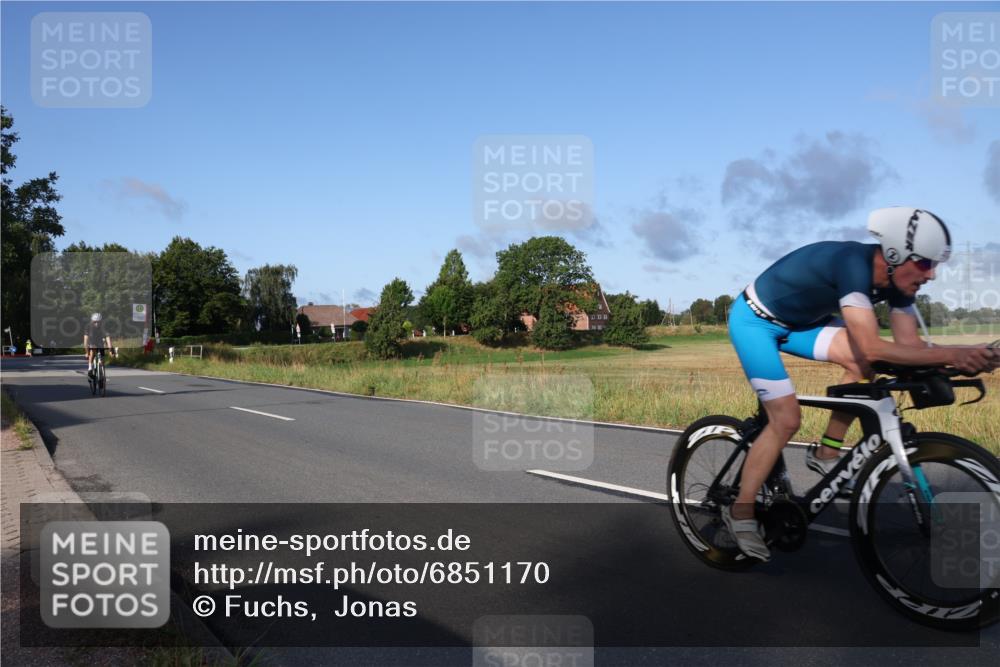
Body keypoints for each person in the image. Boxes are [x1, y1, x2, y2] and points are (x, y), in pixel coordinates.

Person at [724, 207, 999, 561]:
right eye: (927, 264)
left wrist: (971, 354)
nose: (931, 275)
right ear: (897, 254)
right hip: (755, 322)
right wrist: (954, 354)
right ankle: (740, 513)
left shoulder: (900, 284)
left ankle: (826, 454)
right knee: (786, 418)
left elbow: (909, 347)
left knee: (862, 363)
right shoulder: (852, 264)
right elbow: (872, 344)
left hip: (801, 325)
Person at [83, 313, 114, 378]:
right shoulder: (88, 326)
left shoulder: (104, 327)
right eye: (95, 322)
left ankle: (102, 374)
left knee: (102, 358)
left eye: (98, 322)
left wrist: (110, 350)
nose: (96, 324)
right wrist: (86, 352)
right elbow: (85, 340)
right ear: (92, 321)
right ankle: (90, 368)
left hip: (100, 342)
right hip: (92, 341)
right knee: (92, 352)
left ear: (101, 322)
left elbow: (108, 338)